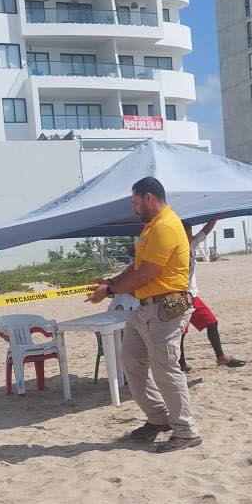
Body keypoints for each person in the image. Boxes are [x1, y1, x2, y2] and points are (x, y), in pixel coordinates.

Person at [88, 177, 201, 453]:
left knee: (166, 370)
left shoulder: (165, 227)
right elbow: (136, 268)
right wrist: (110, 282)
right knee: (131, 360)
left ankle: (186, 431)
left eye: (135, 202)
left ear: (149, 198)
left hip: (163, 310)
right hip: (146, 309)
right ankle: (158, 417)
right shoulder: (152, 227)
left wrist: (110, 290)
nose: (134, 208)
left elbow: (144, 274)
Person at [181, 219, 246, 372]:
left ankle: (220, 357)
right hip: (180, 297)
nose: (189, 235)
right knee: (180, 333)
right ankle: (181, 363)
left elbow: (205, 231)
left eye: (190, 232)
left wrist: (215, 217)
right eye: (186, 232)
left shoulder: (191, 245)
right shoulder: (174, 249)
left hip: (192, 296)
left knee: (211, 322)